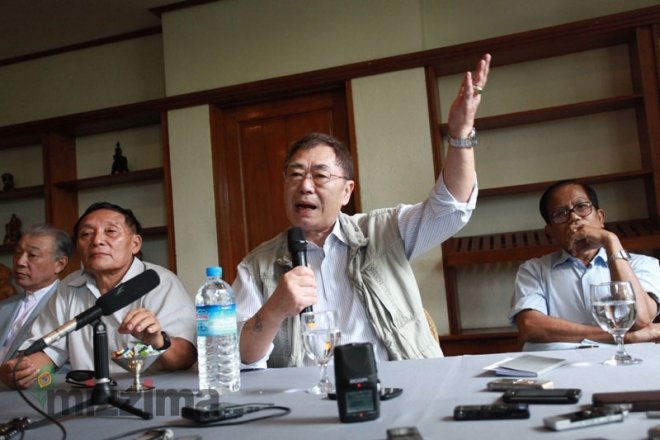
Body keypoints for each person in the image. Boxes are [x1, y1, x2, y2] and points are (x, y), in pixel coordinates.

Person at [234, 54, 491, 368]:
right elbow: (242, 357)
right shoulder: (257, 266)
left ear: (346, 191)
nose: (305, 186)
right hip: (308, 401)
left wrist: (461, 134)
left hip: (400, 388)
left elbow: (452, 207)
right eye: (295, 173)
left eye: (320, 176)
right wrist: (273, 310)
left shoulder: (386, 231)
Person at [1, 202, 197, 389]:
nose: (97, 241)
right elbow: (49, 353)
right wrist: (23, 370)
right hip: (86, 395)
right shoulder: (69, 287)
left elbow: (187, 357)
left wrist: (158, 341)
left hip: (152, 393)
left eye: (111, 232)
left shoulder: (160, 282)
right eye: (86, 234)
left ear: (135, 244)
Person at [510, 180, 660, 350]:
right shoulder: (533, 270)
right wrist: (624, 336)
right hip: (558, 369)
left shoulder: (643, 264)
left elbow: (639, 318)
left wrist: (610, 240)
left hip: (623, 365)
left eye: (582, 207)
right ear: (550, 231)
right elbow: (530, 326)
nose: (574, 217)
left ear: (600, 217)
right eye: (560, 214)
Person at [0, 225, 72, 367]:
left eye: (32, 255)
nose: (20, 262)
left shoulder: (68, 303)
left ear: (59, 264)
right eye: (17, 253)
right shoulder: (4, 305)